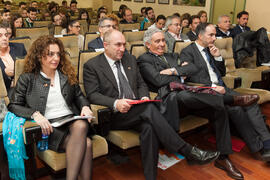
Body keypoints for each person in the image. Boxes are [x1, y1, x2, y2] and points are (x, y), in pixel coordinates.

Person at [83, 29, 220, 180]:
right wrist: (116, 103)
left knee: (149, 128)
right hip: (115, 115)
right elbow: (92, 94)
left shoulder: (129, 59)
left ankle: (151, 176)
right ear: (105, 45)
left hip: (137, 109)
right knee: (149, 109)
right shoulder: (92, 65)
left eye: (124, 44)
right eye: (118, 45)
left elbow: (141, 84)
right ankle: (186, 150)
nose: (122, 49)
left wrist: (143, 96)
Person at [137, 27, 264, 180]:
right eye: (157, 41)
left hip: (192, 98)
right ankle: (231, 99)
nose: (162, 44)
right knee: (184, 95)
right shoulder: (144, 60)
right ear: (147, 44)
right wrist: (181, 73)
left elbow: (193, 68)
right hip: (171, 102)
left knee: (219, 108)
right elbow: (157, 80)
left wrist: (173, 71)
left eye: (163, 40)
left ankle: (223, 158)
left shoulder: (173, 55)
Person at [179, 23, 270, 164]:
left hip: (223, 89)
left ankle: (264, 145)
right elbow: (189, 78)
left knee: (249, 103)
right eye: (211, 35)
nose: (215, 38)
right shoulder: (187, 52)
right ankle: (262, 147)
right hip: (209, 93)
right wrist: (211, 87)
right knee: (240, 107)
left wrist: (218, 58)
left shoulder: (210, 50)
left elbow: (221, 73)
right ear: (200, 35)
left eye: (215, 34)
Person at [8, 35, 94, 180]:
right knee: (87, 142)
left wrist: (85, 106)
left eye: (58, 54)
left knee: (80, 126)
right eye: (50, 54)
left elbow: (79, 96)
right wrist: (35, 114)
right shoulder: (27, 78)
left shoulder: (66, 75)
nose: (56, 58)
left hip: (70, 121)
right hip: (50, 127)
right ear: (39, 56)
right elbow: (13, 105)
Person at [0, 24, 27, 93]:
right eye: (0, 36)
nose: (4, 38)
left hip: (25, 86)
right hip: (6, 91)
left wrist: (16, 81)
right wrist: (5, 74)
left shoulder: (20, 48)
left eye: (6, 35)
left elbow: (30, 66)